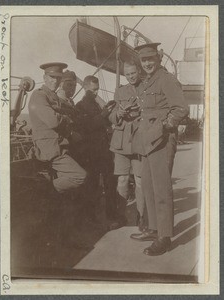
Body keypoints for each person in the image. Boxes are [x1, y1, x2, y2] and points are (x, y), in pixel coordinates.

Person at [130, 43, 189, 256]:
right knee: (148, 186)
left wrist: (164, 126)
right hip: (148, 142)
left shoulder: (166, 79)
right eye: (143, 60)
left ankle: (164, 237)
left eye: (150, 60)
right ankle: (153, 228)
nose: (147, 64)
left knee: (162, 190)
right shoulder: (147, 82)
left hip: (162, 141)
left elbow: (181, 108)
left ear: (158, 59)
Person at [28, 62, 87, 195]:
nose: (55, 81)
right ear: (44, 78)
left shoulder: (53, 97)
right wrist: (66, 119)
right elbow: (53, 121)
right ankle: (44, 188)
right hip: (49, 149)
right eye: (51, 77)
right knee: (80, 176)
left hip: (59, 146)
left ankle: (52, 197)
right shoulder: (39, 95)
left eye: (58, 78)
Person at [108, 59, 147, 229]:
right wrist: (119, 113)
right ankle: (120, 217)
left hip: (139, 139)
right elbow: (112, 115)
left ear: (139, 72)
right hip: (121, 141)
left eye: (133, 73)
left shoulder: (146, 88)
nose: (131, 76)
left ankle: (142, 217)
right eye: (127, 74)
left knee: (140, 180)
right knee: (122, 180)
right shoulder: (120, 91)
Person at [75, 76, 118, 225]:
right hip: (91, 152)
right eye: (93, 90)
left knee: (110, 184)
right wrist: (104, 114)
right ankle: (91, 218)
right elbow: (88, 126)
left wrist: (108, 111)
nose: (95, 92)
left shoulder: (96, 105)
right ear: (85, 88)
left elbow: (102, 123)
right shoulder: (80, 106)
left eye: (97, 89)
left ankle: (111, 216)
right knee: (92, 186)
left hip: (103, 150)